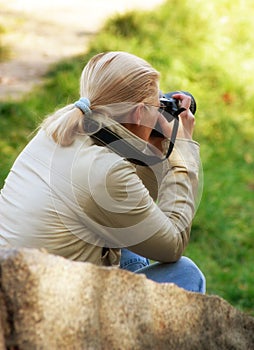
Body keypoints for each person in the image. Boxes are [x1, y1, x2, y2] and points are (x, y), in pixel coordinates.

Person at [0, 51, 205, 293]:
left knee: (134, 233)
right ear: (139, 113)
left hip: (15, 280)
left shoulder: (65, 124)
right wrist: (181, 153)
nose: (160, 110)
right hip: (44, 309)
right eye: (155, 105)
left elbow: (135, 206)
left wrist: (156, 145)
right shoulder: (104, 172)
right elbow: (172, 245)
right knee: (185, 274)